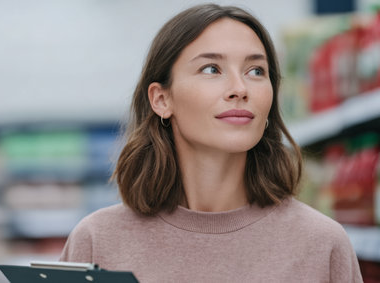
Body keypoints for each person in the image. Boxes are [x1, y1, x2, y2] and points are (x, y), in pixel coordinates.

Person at [60, 4, 363, 282]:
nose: (240, 89)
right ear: (162, 99)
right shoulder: (97, 241)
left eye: (256, 71)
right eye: (211, 69)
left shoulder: (322, 245)